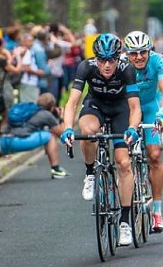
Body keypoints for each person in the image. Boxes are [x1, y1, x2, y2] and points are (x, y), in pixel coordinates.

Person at [60, 33, 141, 246]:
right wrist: (68, 128)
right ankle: (90, 174)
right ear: (95, 58)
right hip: (95, 105)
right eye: (102, 60)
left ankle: (125, 222)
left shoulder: (126, 70)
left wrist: (132, 128)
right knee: (87, 131)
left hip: (119, 109)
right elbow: (72, 103)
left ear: (118, 58)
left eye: (111, 60)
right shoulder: (85, 67)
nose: (106, 65)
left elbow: (134, 107)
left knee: (124, 163)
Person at [123, 30, 163, 232]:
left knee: (155, 155)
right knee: (122, 157)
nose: (139, 57)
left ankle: (157, 212)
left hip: (151, 107)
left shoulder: (157, 60)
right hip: (127, 108)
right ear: (127, 54)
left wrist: (162, 112)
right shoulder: (121, 64)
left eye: (143, 52)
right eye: (133, 53)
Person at [0, 92, 67, 177]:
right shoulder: (46, 114)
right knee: (49, 136)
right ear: (51, 106)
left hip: (6, 138)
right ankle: (56, 169)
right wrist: (61, 117)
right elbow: (62, 134)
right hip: (21, 141)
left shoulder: (29, 109)